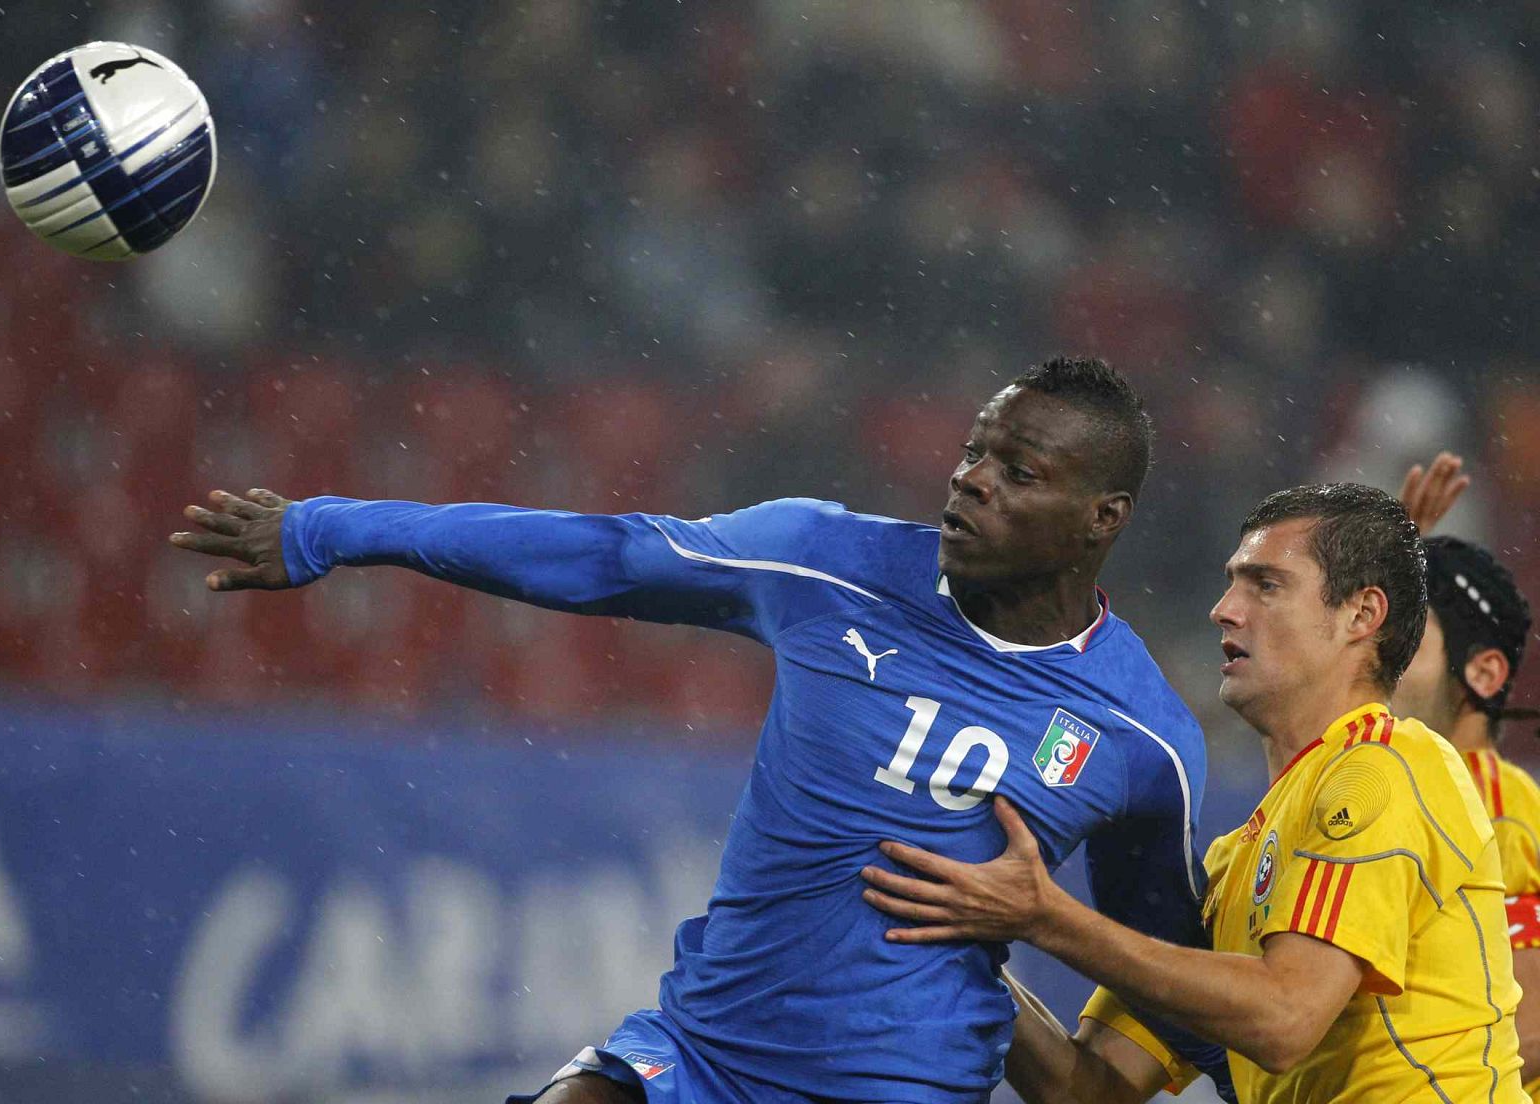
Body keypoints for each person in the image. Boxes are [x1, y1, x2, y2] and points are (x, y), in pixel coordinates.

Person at [169, 357, 1233, 1103]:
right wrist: (331, 527)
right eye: (973, 451)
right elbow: (603, 555)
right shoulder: (824, 561)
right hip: (698, 1054)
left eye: (1019, 473)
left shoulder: (1139, 736)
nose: (971, 479)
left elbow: (1166, 967)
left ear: (1103, 520)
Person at [860, 482, 1526, 1103]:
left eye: (1265, 584)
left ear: (1361, 613)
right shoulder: (1234, 863)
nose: (1224, 609)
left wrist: (1043, 917)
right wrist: (964, 925)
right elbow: (1086, 1087)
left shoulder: (1385, 765)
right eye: (1232, 582)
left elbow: (1286, 1017)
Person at [1394, 534, 1540, 1100]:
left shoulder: (1495, 812)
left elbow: (1523, 1030)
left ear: (1482, 673)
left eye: (1406, 636)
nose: (1373, 653)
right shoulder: (1396, 782)